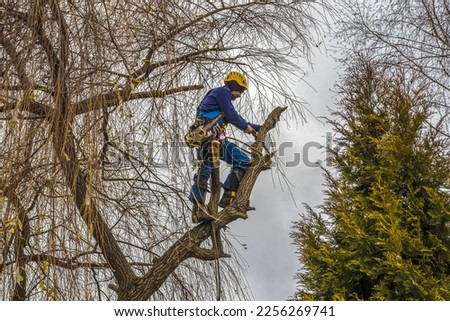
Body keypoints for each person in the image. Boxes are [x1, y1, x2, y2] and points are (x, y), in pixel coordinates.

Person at [189, 71, 261, 223]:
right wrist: (246, 128)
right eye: (240, 90)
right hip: (206, 136)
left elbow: (235, 116)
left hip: (218, 140)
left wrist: (260, 127)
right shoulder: (222, 92)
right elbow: (231, 115)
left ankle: (229, 196)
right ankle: (198, 210)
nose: (240, 95)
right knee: (206, 168)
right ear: (234, 85)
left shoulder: (223, 98)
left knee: (243, 161)